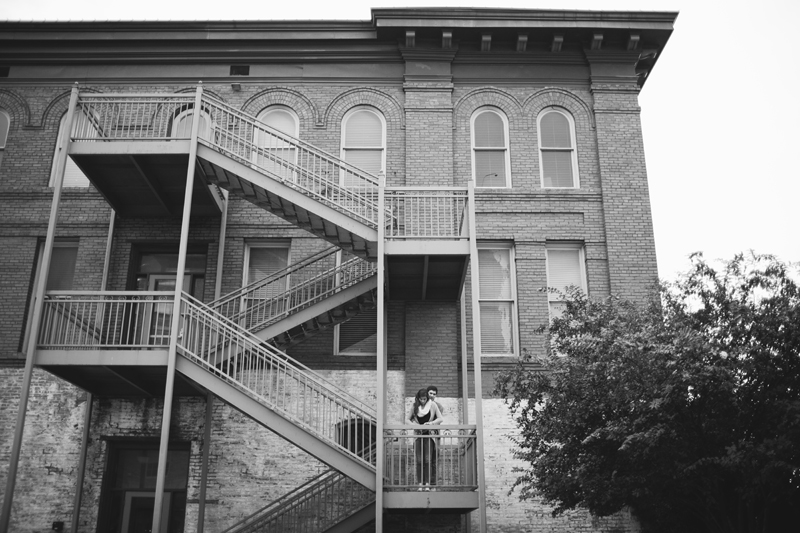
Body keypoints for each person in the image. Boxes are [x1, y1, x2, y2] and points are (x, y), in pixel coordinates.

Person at [409, 387, 443, 491]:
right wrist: (414, 424)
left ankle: (428, 485)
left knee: (428, 460)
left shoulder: (433, 405)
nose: (423, 401)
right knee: (419, 461)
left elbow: (440, 418)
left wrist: (431, 423)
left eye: (424, 399)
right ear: (418, 398)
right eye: (421, 399)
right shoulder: (415, 406)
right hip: (418, 436)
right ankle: (420, 484)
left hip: (429, 436)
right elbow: (407, 419)